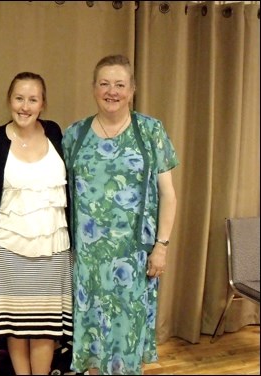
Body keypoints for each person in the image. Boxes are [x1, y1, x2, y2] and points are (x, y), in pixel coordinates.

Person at [62, 54, 179, 375]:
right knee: (94, 341)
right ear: (93, 88)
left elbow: (168, 194)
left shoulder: (150, 131)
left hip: (135, 259)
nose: (111, 91)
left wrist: (162, 246)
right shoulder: (75, 135)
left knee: (127, 339)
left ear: (132, 89)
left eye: (119, 84)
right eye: (104, 84)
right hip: (89, 261)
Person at [0, 72, 73, 375]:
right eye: (19, 98)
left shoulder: (56, 134)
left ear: (43, 104)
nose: (24, 106)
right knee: (16, 325)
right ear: (9, 100)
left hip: (53, 248)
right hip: (8, 248)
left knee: (46, 327)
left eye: (32, 99)